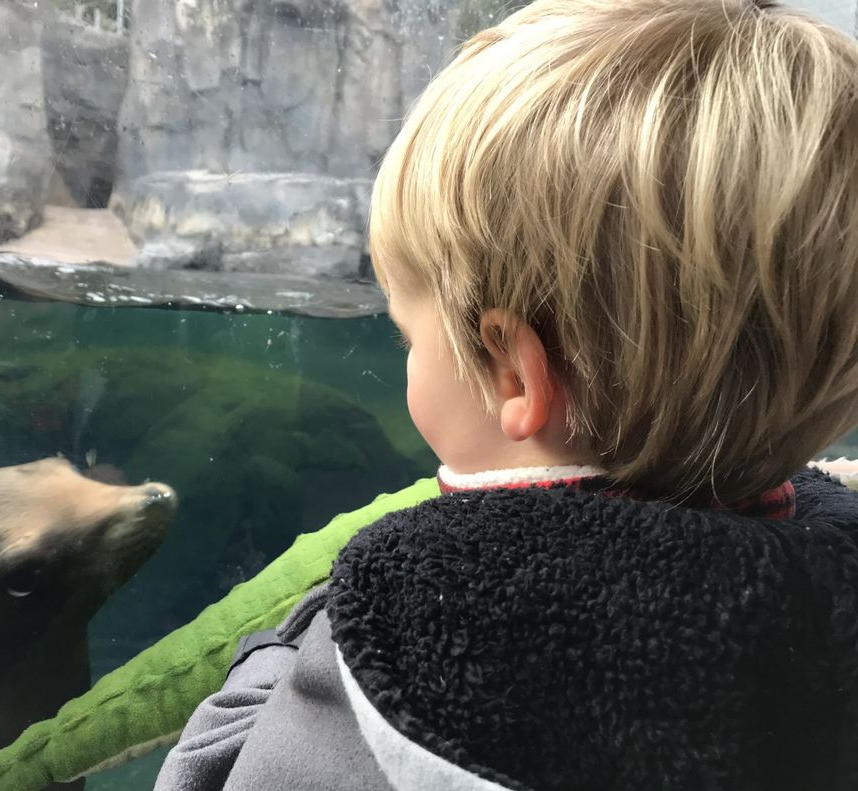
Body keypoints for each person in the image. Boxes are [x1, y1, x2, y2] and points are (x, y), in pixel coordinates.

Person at [154, 0, 858, 788]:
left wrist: (284, 651)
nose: (405, 364)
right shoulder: (829, 596)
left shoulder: (407, 633)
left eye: (407, 338)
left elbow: (215, 774)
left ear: (514, 373)